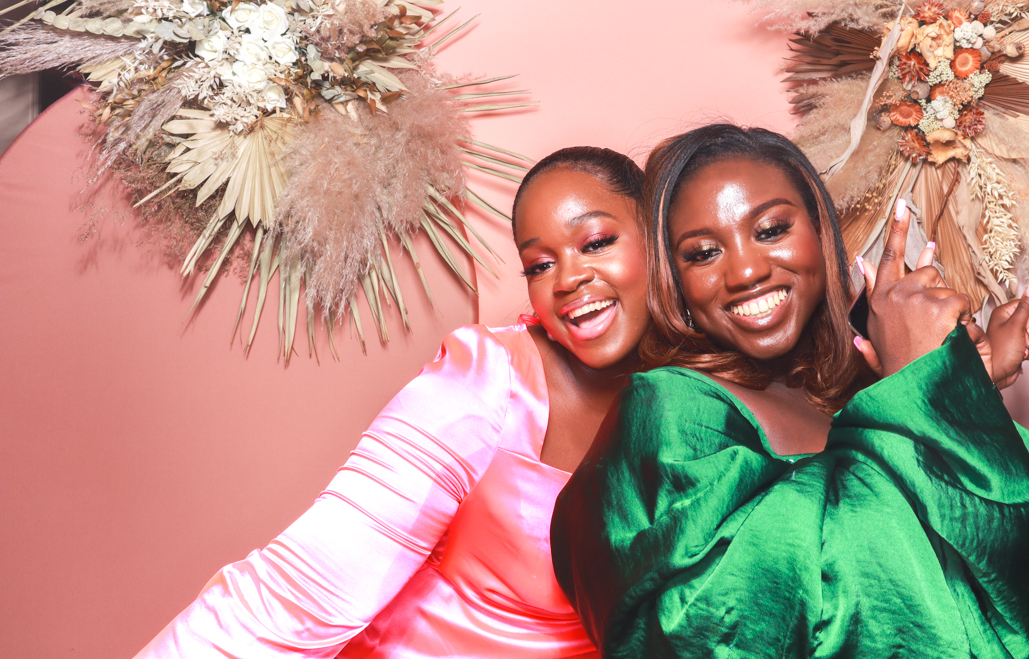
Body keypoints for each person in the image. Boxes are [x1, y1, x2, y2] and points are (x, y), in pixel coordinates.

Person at [551, 124, 1029, 658]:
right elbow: (723, 622)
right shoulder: (669, 410)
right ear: (673, 277)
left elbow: (994, 570)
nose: (745, 271)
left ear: (821, 232)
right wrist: (920, 394)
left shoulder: (856, 386)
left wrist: (962, 391)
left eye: (771, 230)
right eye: (702, 253)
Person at [135, 146, 650, 659]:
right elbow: (300, 589)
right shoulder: (486, 380)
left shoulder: (705, 390)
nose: (567, 280)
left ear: (657, 237)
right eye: (538, 265)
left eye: (597, 242)